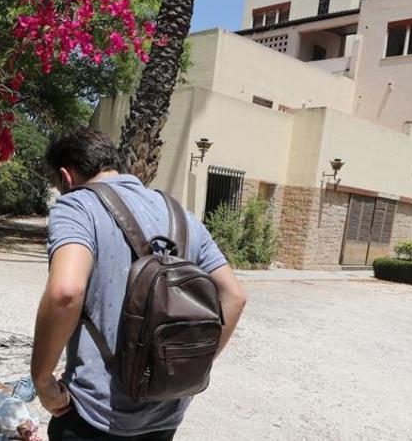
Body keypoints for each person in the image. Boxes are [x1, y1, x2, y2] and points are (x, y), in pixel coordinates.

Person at [30, 128, 248, 440]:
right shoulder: (182, 216)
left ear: (66, 177)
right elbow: (235, 296)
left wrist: (41, 379)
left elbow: (66, 292)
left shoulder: (77, 206)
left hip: (96, 414)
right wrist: (185, 367)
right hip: (166, 412)